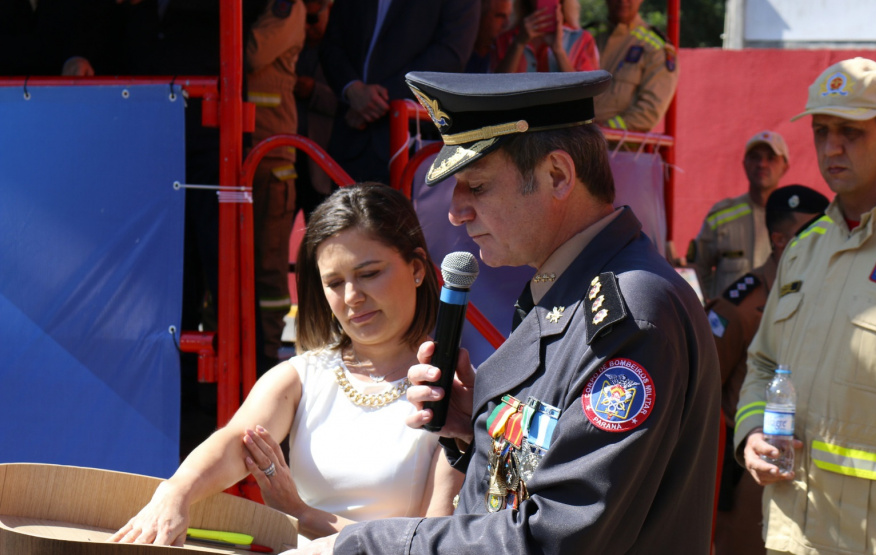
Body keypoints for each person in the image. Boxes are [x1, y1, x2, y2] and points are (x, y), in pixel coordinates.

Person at [288, 69, 720, 554]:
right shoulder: (569, 290)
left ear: (557, 176)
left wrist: (362, 545)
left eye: (478, 186)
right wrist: (479, 427)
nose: (456, 211)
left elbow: (556, 537)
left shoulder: (631, 313)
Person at [109, 183, 463, 546]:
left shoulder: (457, 393)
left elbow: (430, 543)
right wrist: (175, 493)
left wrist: (302, 513)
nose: (353, 297)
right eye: (335, 282)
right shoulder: (302, 375)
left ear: (417, 269)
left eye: (370, 273)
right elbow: (236, 441)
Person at [735, 57, 876, 555]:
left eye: (850, 132)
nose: (831, 147)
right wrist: (751, 434)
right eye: (821, 131)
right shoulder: (804, 248)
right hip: (792, 533)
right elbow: (764, 363)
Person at [706, 184, 829, 555]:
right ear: (779, 240)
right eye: (809, 233)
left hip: (809, 467)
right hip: (746, 469)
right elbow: (704, 391)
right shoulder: (741, 305)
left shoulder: (825, 293)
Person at [318, 0, 480, 184]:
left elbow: (450, 55)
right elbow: (332, 44)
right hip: (349, 140)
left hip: (408, 144)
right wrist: (351, 88)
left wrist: (375, 99)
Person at [244, 0, 306, 372]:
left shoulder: (285, 6)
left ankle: (268, 362)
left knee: (268, 270)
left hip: (269, 155)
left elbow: (250, 54)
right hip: (237, 154)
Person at [689, 130, 791, 300]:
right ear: (744, 164)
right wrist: (712, 308)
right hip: (729, 324)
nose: (762, 164)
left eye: (771, 158)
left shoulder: (797, 219)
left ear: (785, 167)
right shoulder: (721, 216)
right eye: (755, 157)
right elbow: (698, 269)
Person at [592, 0, 678, 132]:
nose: (623, 1)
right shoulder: (587, 37)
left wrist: (602, 131)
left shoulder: (655, 48)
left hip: (621, 149)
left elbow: (648, 113)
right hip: (576, 146)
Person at [293, 0, 337, 221]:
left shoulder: (342, 52)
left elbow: (350, 103)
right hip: (289, 157)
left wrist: (313, 92)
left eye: (311, 18)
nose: (306, 26)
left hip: (321, 162)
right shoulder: (290, 46)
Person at [493, 0, 599, 74]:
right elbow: (495, 86)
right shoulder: (506, 39)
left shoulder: (582, 40)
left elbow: (587, 92)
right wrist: (519, 44)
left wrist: (558, 51)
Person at [465, 0, 513, 74]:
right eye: (500, 16)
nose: (506, 24)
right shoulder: (461, 55)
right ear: (480, 16)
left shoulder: (501, 52)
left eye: (508, 16)